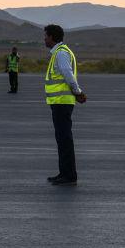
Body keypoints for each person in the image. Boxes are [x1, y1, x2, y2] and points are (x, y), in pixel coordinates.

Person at [43, 24, 85, 186]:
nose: (44, 39)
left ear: (52, 37)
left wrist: (78, 92)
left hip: (62, 102)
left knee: (64, 139)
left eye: (46, 36)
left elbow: (68, 74)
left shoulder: (61, 54)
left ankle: (69, 175)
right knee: (62, 139)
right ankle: (64, 172)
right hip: (59, 102)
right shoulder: (59, 53)